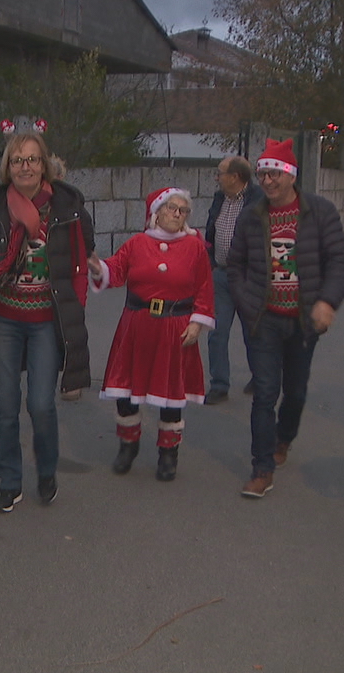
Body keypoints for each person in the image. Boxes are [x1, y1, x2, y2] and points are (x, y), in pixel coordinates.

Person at [0, 128, 96, 513]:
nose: (25, 166)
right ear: (8, 166)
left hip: (45, 320)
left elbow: (77, 266)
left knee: (41, 403)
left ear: (44, 165)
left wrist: (77, 309)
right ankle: (10, 481)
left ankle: (46, 470)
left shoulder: (66, 206)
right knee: (5, 406)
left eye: (32, 159)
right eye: (18, 160)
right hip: (5, 319)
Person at [227, 138, 344, 498]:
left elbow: (338, 262)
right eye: (263, 174)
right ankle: (261, 468)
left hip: (303, 321)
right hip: (263, 319)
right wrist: (247, 301)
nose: (268, 181)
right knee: (265, 392)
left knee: (294, 391)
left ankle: (285, 438)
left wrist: (327, 301)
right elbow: (235, 265)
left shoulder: (320, 212)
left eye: (275, 174)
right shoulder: (252, 215)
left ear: (291, 176)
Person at [89, 188, 214, 481]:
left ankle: (168, 454)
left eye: (183, 210)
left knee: (172, 394)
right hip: (137, 325)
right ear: (156, 212)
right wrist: (98, 267)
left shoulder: (195, 249)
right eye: (172, 207)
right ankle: (128, 444)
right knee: (126, 389)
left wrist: (197, 323)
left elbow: (205, 289)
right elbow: (116, 272)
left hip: (176, 328)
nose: (177, 213)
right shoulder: (136, 243)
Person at [203, 155, 259, 404]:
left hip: (248, 277)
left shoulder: (259, 200)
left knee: (253, 332)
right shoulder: (219, 199)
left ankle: (261, 376)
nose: (217, 178)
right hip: (221, 274)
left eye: (221, 173)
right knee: (217, 332)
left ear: (235, 177)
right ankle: (219, 385)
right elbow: (211, 231)